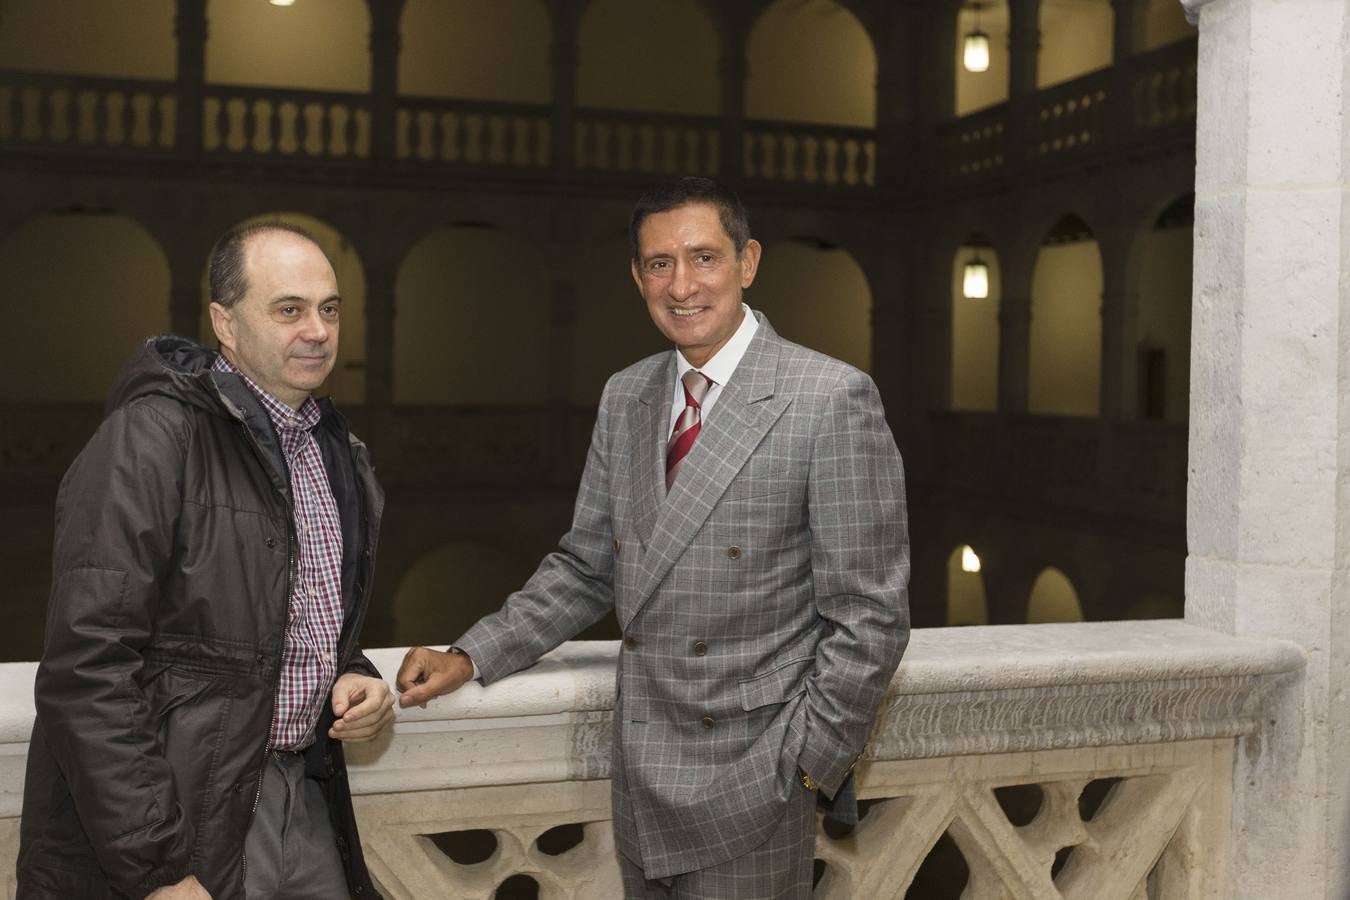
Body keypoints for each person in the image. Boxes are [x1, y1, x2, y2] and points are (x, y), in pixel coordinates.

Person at [397, 177, 910, 898]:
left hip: (754, 783)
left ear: (749, 262)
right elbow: (583, 567)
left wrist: (806, 765)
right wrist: (472, 653)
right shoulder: (627, 395)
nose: (682, 285)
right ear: (637, 276)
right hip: (642, 779)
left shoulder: (829, 398)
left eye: (703, 258)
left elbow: (871, 616)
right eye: (659, 264)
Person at [17, 222, 394, 900]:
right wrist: (159, 868)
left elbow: (279, 617)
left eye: (329, 309)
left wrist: (351, 674)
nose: (318, 330)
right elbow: (86, 668)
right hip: (181, 816)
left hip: (304, 799)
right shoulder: (150, 440)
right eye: (289, 309)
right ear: (225, 320)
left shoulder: (342, 456)